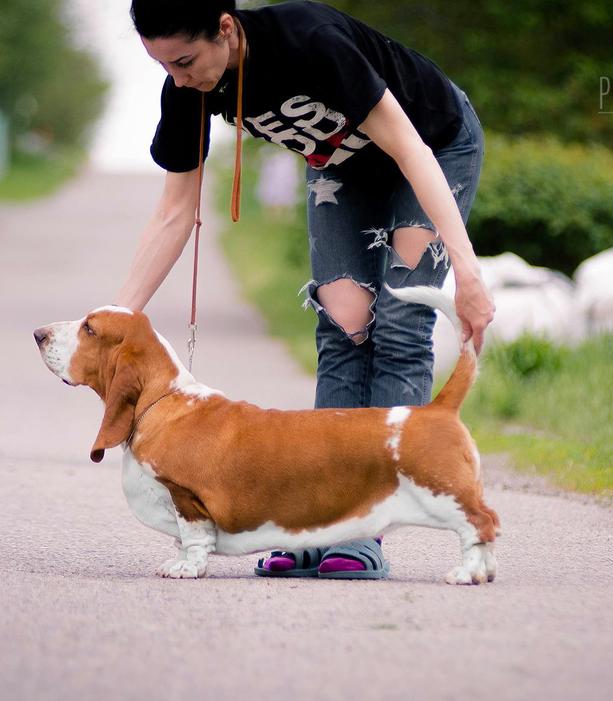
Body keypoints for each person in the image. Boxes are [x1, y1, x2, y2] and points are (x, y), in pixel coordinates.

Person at [120, 0, 494, 579]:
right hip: (343, 165)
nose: (180, 78)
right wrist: (120, 319)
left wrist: (468, 274)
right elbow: (175, 212)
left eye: (187, 61)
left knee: (397, 322)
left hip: (430, 145)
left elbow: (409, 149)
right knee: (344, 323)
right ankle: (312, 524)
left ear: (225, 27)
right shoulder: (188, 90)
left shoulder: (309, 40)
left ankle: (363, 527)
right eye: (164, 66)